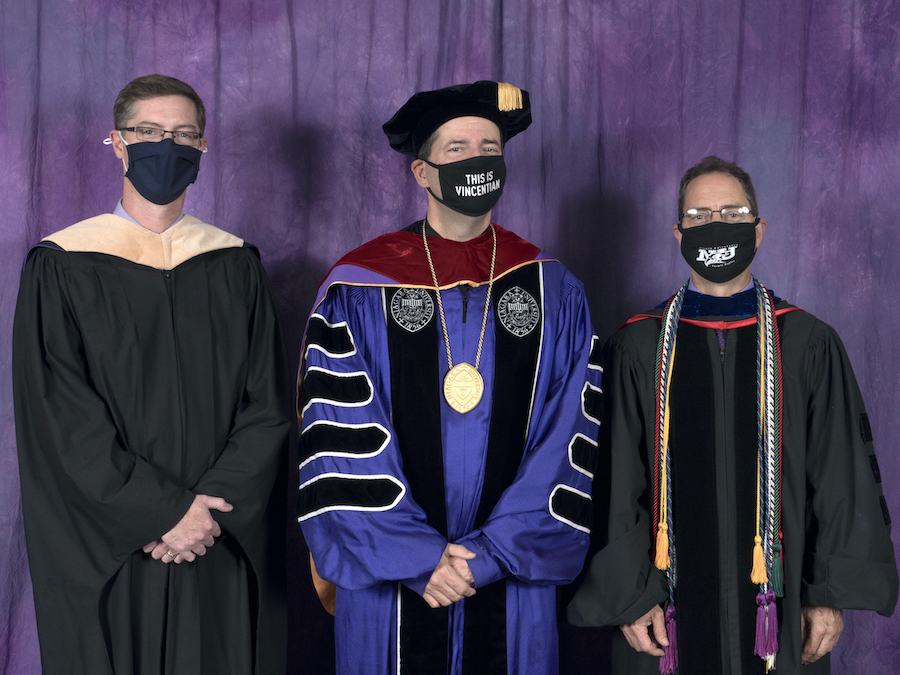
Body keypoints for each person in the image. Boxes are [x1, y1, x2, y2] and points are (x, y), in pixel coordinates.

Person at [296, 81, 603, 674]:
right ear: (422, 172)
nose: (477, 160)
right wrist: (416, 556)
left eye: (490, 147)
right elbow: (338, 434)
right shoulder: (358, 287)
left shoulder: (553, 289)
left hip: (510, 573)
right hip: (392, 578)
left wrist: (490, 557)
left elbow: (569, 435)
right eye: (457, 149)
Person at [567, 156, 898, 674]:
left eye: (732, 213)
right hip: (661, 613)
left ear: (758, 230)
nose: (715, 224)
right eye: (698, 216)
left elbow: (842, 477)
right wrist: (630, 597)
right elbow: (613, 482)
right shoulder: (638, 347)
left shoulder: (806, 342)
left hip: (782, 608)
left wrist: (827, 594)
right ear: (678, 234)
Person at [12, 74, 291, 674]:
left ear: (203, 146)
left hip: (216, 535)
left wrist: (207, 514)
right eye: (149, 132)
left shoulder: (234, 263)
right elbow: (60, 414)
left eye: (184, 134)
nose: (168, 145)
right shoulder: (63, 264)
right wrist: (159, 512)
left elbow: (267, 404)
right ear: (118, 143)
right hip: (114, 538)